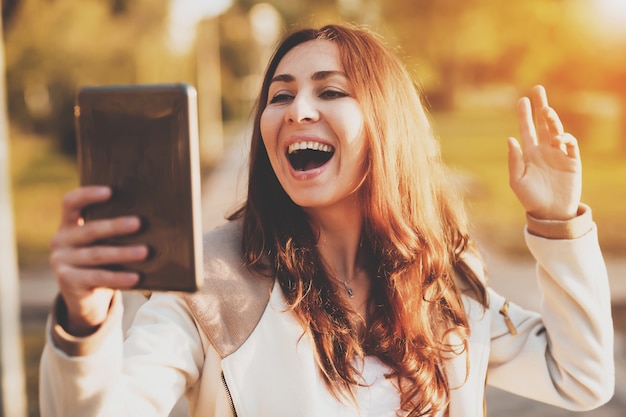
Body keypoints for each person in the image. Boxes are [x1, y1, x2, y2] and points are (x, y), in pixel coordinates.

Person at [40, 24, 614, 417]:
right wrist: (84, 323)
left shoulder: (445, 278)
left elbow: (581, 377)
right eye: (279, 95)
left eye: (330, 90)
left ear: (386, 125)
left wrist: (556, 220)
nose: (298, 110)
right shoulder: (207, 284)